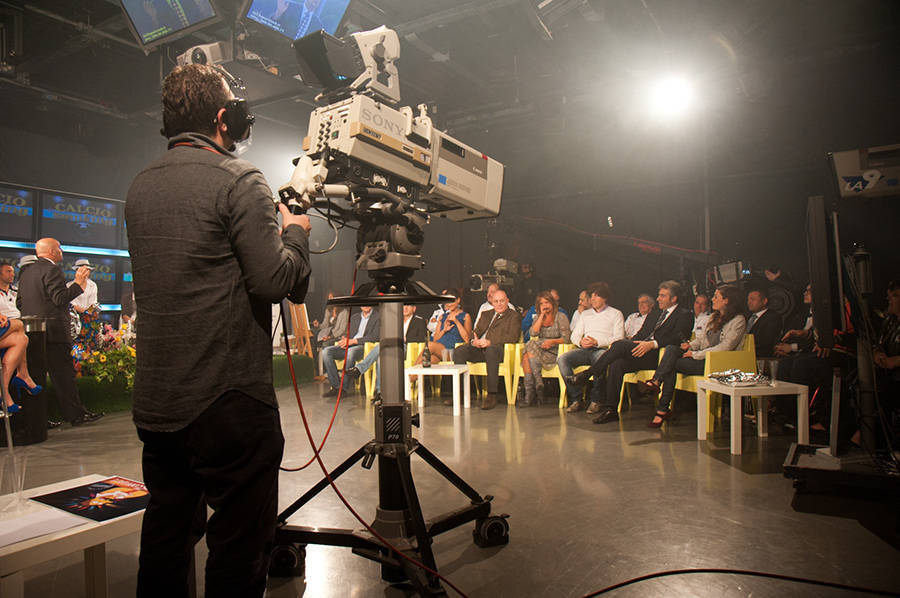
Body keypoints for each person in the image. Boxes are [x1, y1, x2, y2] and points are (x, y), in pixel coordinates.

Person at [125, 63, 312, 598]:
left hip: (159, 406)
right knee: (238, 552)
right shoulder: (239, 178)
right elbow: (275, 280)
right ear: (224, 118)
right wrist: (296, 232)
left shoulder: (140, 186)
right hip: (228, 404)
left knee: (166, 540)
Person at [568, 280, 694, 424]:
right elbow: (641, 334)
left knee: (619, 344)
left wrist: (652, 344)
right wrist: (631, 345)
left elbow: (679, 337)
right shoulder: (655, 314)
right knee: (617, 363)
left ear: (674, 298)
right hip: (640, 351)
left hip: (660, 356)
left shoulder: (684, 314)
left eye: (662, 296)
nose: (658, 299)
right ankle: (611, 410)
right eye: (659, 295)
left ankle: (588, 374)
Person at [16, 239, 102, 426]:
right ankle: (76, 415)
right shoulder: (52, 270)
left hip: (33, 332)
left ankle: (38, 420)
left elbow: (19, 303)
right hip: (54, 332)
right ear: (52, 251)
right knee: (63, 375)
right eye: (59, 248)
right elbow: (60, 299)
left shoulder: (26, 272)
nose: (62, 250)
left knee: (36, 376)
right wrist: (78, 284)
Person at [640, 285, 747, 427]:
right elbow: (701, 340)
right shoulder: (713, 317)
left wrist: (695, 354)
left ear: (726, 300)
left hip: (719, 362)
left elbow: (725, 347)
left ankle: (660, 401)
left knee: (672, 364)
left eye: (716, 297)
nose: (712, 299)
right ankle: (658, 391)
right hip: (703, 357)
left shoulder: (738, 320)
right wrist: (690, 346)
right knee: (672, 349)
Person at [558, 282, 625, 414]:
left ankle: (596, 400)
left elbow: (619, 338)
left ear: (605, 298)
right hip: (585, 349)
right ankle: (576, 399)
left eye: (596, 296)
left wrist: (597, 342)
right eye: (591, 296)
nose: (592, 299)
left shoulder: (615, 314)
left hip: (603, 349)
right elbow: (574, 335)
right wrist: (581, 342)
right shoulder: (585, 314)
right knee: (562, 359)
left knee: (600, 358)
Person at [454, 288, 521, 410]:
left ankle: (492, 395)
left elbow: (513, 336)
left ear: (507, 301)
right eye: (496, 301)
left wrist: (490, 342)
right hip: (481, 349)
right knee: (460, 351)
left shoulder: (513, 316)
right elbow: (475, 332)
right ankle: (460, 393)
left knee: (491, 350)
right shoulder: (486, 314)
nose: (499, 304)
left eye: (502, 301)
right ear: (492, 302)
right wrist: (473, 341)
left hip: (500, 350)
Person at [346, 305, 427, 395]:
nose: (405, 308)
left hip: (406, 348)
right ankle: (380, 392)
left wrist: (405, 339)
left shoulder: (419, 321)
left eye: (408, 306)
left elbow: (422, 338)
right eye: (403, 306)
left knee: (383, 346)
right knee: (381, 357)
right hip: (391, 346)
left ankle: (359, 369)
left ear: (414, 308)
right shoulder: (395, 320)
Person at [0, 261, 42, 412]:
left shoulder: (15, 291)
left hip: (6, 329)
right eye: (8, 271)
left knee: (22, 339)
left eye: (13, 271)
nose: (12, 274)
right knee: (19, 325)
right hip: (7, 325)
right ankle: (23, 375)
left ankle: (3, 390)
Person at [519, 291, 570, 407]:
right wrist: (541, 316)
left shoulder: (560, 317)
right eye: (541, 304)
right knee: (529, 349)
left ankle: (530, 395)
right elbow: (533, 333)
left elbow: (566, 339)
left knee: (528, 351)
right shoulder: (538, 317)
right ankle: (538, 383)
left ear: (552, 303)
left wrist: (552, 342)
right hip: (540, 350)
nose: (544, 305)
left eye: (546, 302)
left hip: (555, 352)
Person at [321, 305, 380, 397]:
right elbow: (349, 334)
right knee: (326, 352)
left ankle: (343, 389)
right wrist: (344, 339)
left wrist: (353, 341)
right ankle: (336, 387)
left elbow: (374, 336)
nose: (365, 305)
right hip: (349, 345)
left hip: (363, 346)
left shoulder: (378, 317)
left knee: (351, 352)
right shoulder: (354, 317)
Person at [416, 289, 472, 364]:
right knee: (425, 362)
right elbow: (435, 339)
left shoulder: (465, 316)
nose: (449, 304)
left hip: (452, 351)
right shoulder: (442, 317)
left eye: (452, 301)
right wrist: (444, 330)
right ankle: (411, 372)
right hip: (439, 350)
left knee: (429, 344)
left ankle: (408, 371)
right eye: (447, 301)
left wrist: (456, 322)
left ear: (458, 300)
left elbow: (467, 339)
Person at [746, 286, 782, 359]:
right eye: (748, 299)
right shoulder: (747, 317)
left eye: (753, 299)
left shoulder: (772, 317)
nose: (749, 302)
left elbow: (766, 341)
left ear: (764, 301)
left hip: (762, 357)